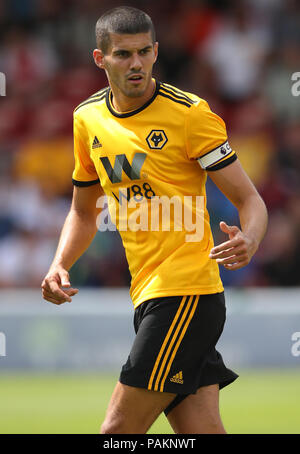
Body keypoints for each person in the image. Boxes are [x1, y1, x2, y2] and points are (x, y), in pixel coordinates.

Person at [41, 6, 268, 434]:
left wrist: (251, 238)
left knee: (116, 433)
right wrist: (59, 263)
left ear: (157, 51)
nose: (137, 64)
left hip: (187, 295)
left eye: (145, 52)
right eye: (124, 55)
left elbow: (250, 200)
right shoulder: (86, 119)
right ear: (99, 58)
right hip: (147, 295)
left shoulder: (189, 114)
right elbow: (82, 212)